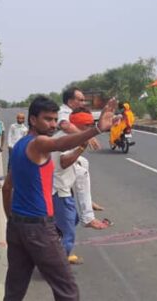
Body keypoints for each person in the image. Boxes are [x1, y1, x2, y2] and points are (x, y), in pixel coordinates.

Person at [2, 96, 117, 301]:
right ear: (33, 119)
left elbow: (7, 187)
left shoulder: (20, 145)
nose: (53, 124)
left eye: (55, 119)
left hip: (17, 225)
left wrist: (11, 219)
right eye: (47, 119)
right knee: (67, 291)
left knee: (14, 288)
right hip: (38, 227)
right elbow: (61, 143)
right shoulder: (38, 143)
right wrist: (96, 129)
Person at [59, 87, 107, 229]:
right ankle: (88, 218)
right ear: (70, 101)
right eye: (80, 99)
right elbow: (64, 125)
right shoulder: (64, 112)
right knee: (81, 173)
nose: (83, 102)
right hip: (58, 156)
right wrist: (86, 137)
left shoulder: (73, 112)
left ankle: (87, 198)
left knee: (84, 162)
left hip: (65, 152)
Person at [52, 109, 95, 266]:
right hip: (59, 191)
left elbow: (78, 170)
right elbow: (64, 162)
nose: (90, 129)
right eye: (88, 126)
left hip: (62, 190)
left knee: (70, 221)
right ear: (78, 125)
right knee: (68, 230)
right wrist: (81, 147)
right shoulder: (68, 139)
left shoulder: (67, 138)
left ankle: (55, 252)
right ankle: (58, 265)